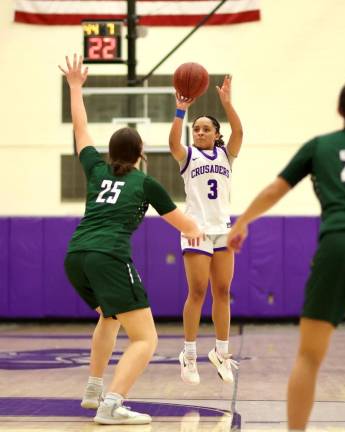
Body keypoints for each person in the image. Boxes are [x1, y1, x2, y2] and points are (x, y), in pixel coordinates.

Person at [227, 77, 345, 431]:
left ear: (340, 110)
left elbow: (275, 189)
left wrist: (242, 222)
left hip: (337, 244)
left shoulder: (319, 146)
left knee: (308, 357)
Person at [59, 54, 201, 425]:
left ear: (111, 152)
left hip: (76, 255)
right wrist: (201, 228)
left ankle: (93, 390)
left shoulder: (95, 169)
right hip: (108, 256)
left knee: (109, 316)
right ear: (141, 154)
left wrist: (75, 87)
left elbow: (80, 128)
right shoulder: (144, 183)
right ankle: (112, 404)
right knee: (146, 339)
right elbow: (183, 224)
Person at [169, 75, 243, 385]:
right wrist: (180, 112)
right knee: (198, 291)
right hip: (196, 229)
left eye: (205, 129)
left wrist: (227, 103)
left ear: (216, 134)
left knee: (223, 291)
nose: (199, 132)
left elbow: (239, 131)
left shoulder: (227, 154)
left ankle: (221, 353)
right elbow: (173, 143)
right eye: (196, 129)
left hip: (222, 228)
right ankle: (188, 354)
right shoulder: (188, 156)